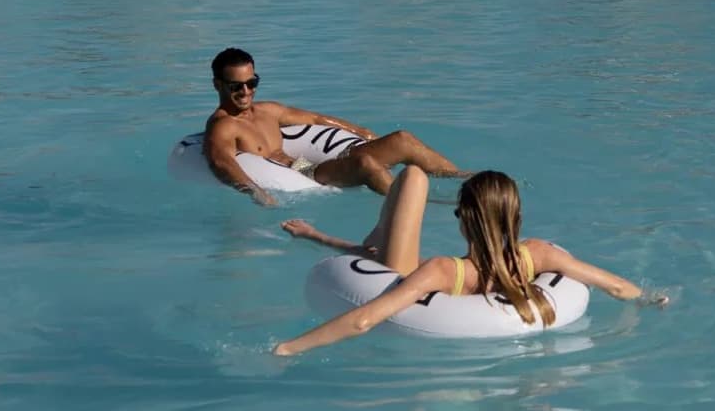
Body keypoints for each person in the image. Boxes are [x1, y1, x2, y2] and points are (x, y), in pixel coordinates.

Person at [272, 167, 667, 356]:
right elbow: (615, 286)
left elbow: (364, 319)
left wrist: (287, 348)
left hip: (420, 284)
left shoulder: (444, 270)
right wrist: (651, 301)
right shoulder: (540, 255)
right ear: (516, 218)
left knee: (412, 176)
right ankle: (346, 240)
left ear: (463, 218)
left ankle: (323, 236)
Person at [204, 48, 467, 204]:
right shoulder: (224, 126)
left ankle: (466, 180)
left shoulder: (266, 110)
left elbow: (317, 120)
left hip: (306, 162)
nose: (247, 91)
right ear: (218, 85)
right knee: (365, 164)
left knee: (402, 139)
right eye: (236, 86)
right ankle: (427, 205)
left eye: (252, 83)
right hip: (301, 173)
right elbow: (221, 162)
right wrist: (254, 192)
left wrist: (360, 131)